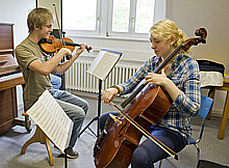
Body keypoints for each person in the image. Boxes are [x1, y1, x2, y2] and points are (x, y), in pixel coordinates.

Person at [100, 19, 201, 167]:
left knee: (141, 156)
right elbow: (130, 83)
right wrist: (115, 89)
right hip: (146, 120)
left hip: (172, 129)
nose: (152, 46)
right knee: (105, 120)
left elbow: (193, 109)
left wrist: (167, 83)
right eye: (151, 41)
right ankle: (111, 160)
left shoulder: (189, 66)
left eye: (157, 42)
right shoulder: (153, 62)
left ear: (172, 40)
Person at [15, 7, 89, 159]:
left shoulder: (43, 46)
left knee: (84, 105)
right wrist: (61, 52)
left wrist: (75, 56)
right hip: (37, 98)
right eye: (48, 26)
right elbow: (43, 69)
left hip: (50, 91)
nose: (51, 30)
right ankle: (66, 147)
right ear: (36, 26)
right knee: (78, 113)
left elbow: (59, 70)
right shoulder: (22, 49)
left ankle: (63, 139)